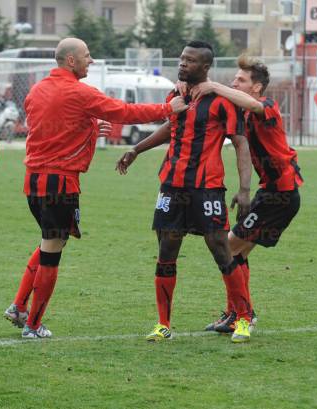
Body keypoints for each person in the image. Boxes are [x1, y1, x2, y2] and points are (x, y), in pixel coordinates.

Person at [3, 37, 188, 339]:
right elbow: (124, 112)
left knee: (51, 241)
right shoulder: (79, 92)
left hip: (34, 180)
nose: (91, 60)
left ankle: (19, 306)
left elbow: (52, 127)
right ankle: (33, 325)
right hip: (59, 182)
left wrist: (88, 128)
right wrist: (167, 108)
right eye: (87, 56)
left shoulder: (37, 90)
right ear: (71, 61)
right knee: (52, 248)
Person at [116, 41, 253, 343]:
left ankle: (243, 319)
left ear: (205, 67)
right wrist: (136, 149)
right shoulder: (175, 96)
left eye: (190, 61)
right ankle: (163, 324)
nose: (182, 64)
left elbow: (241, 144)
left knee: (220, 248)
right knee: (166, 249)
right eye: (181, 59)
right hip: (172, 185)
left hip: (207, 187)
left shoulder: (222, 101)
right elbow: (170, 128)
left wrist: (245, 189)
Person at [191, 55, 304, 333]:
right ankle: (237, 314)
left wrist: (214, 86)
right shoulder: (241, 112)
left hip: (281, 195)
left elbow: (252, 105)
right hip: (271, 194)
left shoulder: (267, 106)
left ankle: (242, 314)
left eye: (241, 80)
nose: (234, 82)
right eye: (234, 79)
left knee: (228, 248)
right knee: (237, 254)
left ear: (257, 87)